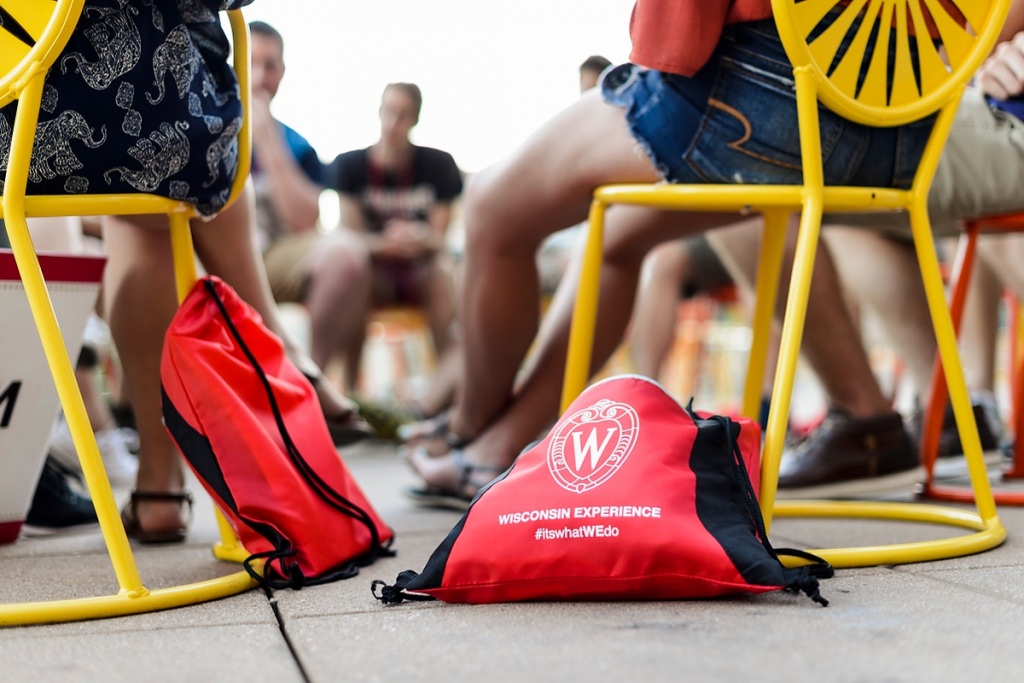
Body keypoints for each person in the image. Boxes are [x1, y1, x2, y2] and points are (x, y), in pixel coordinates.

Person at [402, 0, 948, 508]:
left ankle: (467, 428)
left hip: (765, 95)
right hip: (900, 123)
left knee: (492, 203)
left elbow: (675, 44)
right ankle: (497, 449)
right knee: (614, 240)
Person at [2, 0, 363, 541]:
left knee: (140, 201)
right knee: (149, 192)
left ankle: (161, 487)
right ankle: (275, 352)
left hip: (14, 108)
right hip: (166, 118)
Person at [249, 21, 374, 443]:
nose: (260, 77)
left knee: (347, 251)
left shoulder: (296, 143)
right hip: (209, 256)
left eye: (270, 65)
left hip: (276, 255)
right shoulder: (199, 124)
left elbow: (305, 219)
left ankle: (307, 388)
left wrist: (266, 139)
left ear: (283, 72)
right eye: (250, 63)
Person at [325, 83, 463, 405]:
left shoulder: (440, 165)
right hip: (374, 273)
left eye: (402, 115)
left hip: (421, 269)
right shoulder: (350, 166)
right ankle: (350, 393)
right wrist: (383, 242)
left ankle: (445, 396)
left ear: (414, 119)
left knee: (441, 271)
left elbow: (438, 239)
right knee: (353, 271)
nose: (392, 123)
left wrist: (417, 237)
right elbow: (352, 239)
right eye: (388, 112)